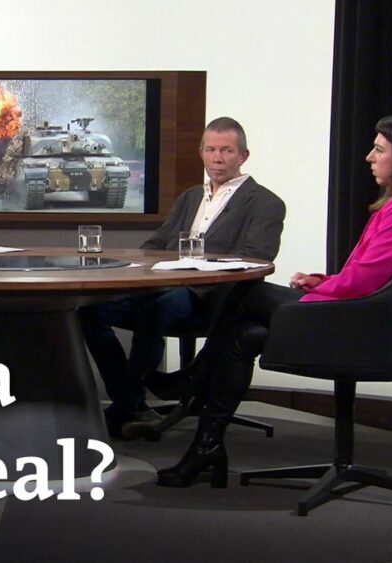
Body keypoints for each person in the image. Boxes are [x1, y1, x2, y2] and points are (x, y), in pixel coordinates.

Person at [152, 113, 392, 488]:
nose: (369, 157)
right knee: (244, 334)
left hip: (366, 328)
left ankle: (192, 380)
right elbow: (367, 274)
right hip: (360, 314)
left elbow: (364, 283)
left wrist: (315, 292)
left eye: (378, 150)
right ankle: (206, 447)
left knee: (246, 291)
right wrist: (321, 282)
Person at [79, 117, 286, 438]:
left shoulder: (265, 203)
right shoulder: (190, 197)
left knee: (153, 312)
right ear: (201, 153)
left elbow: (257, 258)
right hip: (166, 288)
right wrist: (137, 269)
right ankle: (129, 400)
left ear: (243, 156)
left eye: (227, 151)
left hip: (215, 298)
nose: (217, 158)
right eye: (211, 150)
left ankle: (129, 404)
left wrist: (199, 268)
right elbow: (157, 244)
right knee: (90, 311)